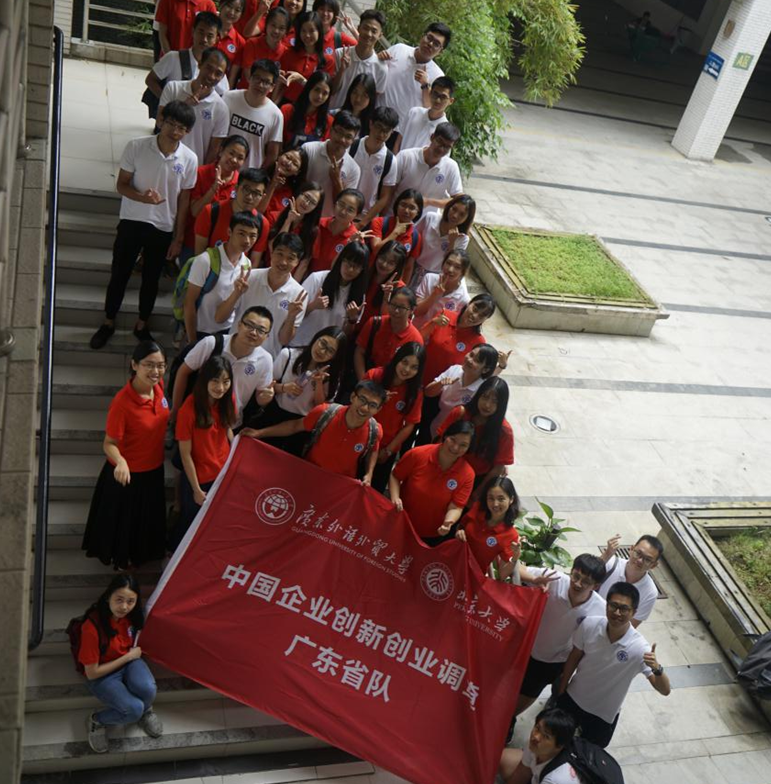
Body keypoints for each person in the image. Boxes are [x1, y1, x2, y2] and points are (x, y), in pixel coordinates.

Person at [89, 101, 197, 350]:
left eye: (181, 128)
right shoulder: (137, 146)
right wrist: (142, 198)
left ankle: (142, 325)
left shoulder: (189, 159)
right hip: (132, 221)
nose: (174, 131)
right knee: (120, 274)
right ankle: (108, 322)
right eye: (171, 124)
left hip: (163, 227)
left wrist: (178, 237)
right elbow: (121, 185)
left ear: (187, 131)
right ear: (161, 120)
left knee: (151, 280)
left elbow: (184, 201)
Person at [82, 342, 169, 569]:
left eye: (161, 365)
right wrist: (120, 461)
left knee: (146, 522)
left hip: (154, 469)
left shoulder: (159, 388)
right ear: (134, 365)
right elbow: (109, 443)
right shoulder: (122, 402)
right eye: (149, 365)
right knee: (126, 527)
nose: (156, 371)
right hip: (128, 475)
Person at [555, 582, 671, 747]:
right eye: (613, 606)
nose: (617, 613)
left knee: (587, 755)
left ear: (634, 612)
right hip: (573, 698)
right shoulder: (589, 625)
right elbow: (574, 657)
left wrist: (657, 669)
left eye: (624, 609)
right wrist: (562, 689)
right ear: (606, 605)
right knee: (556, 741)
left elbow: (665, 690)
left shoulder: (639, 648)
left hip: (602, 714)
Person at [512, 554, 607, 720]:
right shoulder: (555, 580)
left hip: (554, 660)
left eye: (586, 582)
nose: (578, 584)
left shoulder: (600, 610)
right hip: (525, 647)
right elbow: (517, 569)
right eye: (576, 576)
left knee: (530, 691)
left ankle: (510, 719)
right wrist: (534, 579)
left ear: (596, 586)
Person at [243, 378, 385, 484]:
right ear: (353, 397)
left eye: (372, 405)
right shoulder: (325, 412)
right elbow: (294, 426)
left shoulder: (375, 431)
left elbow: (373, 450)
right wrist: (259, 433)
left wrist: (369, 474)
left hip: (339, 488)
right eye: (362, 400)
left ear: (379, 410)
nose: (365, 408)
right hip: (307, 476)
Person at [80, 575, 162, 755]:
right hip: (103, 674)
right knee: (133, 710)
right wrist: (128, 657)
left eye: (130, 601)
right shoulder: (91, 627)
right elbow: (92, 673)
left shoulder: (133, 617)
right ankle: (97, 721)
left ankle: (146, 711)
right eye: (119, 600)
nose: (124, 607)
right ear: (108, 597)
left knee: (148, 689)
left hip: (129, 662)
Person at [171, 355, 236, 546]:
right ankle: (173, 552)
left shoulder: (227, 399)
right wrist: (196, 489)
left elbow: (227, 429)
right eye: (215, 381)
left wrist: (236, 454)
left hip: (222, 474)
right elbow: (185, 454)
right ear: (204, 380)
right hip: (199, 478)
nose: (220, 387)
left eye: (225, 381)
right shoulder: (188, 409)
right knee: (189, 522)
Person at [172, 306, 274, 427]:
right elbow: (183, 372)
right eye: (249, 325)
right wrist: (176, 409)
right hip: (197, 417)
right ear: (239, 325)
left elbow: (260, 398)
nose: (253, 332)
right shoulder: (211, 344)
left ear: (267, 336)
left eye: (261, 330)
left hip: (230, 423)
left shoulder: (265, 360)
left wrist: (265, 398)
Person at [217, 232, 308, 357]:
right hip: (231, 351)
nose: (283, 262)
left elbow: (284, 340)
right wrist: (236, 294)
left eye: (290, 258)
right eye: (280, 254)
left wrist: (291, 316)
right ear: (271, 252)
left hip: (265, 359)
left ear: (297, 262)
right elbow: (219, 318)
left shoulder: (299, 295)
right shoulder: (249, 278)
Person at [389, 419, 475, 545]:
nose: (455, 447)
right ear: (445, 436)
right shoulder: (418, 454)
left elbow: (456, 506)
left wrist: (448, 522)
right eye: (453, 440)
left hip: (431, 534)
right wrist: (395, 498)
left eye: (463, 445)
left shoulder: (468, 474)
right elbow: (395, 476)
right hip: (400, 521)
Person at [262, 325, 347, 452]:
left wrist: (319, 384)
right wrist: (284, 388)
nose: (322, 351)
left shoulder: (332, 375)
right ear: (316, 338)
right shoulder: (288, 355)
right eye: (322, 343)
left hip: (301, 425)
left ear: (335, 356)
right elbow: (266, 386)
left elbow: (321, 408)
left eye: (330, 350)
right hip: (274, 413)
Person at [182, 212, 261, 342]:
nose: (247, 240)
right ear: (229, 232)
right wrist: (192, 340)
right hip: (201, 331)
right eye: (241, 233)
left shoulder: (247, 264)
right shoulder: (205, 260)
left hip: (228, 332)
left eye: (252, 236)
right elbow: (189, 302)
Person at [364, 341, 425, 492]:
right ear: (397, 358)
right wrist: (377, 398)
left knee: (373, 492)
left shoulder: (415, 392)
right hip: (361, 438)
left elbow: (409, 425)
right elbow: (356, 405)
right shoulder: (374, 375)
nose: (407, 370)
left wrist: (388, 451)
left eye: (414, 367)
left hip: (385, 448)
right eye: (405, 362)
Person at [436, 377, 514, 489]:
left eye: (495, 401)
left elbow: (498, 467)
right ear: (478, 395)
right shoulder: (460, 413)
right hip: (446, 468)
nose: (487, 405)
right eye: (485, 397)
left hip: (476, 479)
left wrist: (478, 493)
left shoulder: (504, 431)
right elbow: (439, 441)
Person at [158, 46, 230, 165]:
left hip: (192, 169)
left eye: (218, 73)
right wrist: (184, 106)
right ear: (200, 64)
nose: (211, 76)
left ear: (222, 77)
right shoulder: (173, 88)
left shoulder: (221, 109)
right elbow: (160, 122)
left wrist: (200, 173)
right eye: (209, 68)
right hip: (162, 161)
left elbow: (214, 150)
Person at [380, 22, 451, 140]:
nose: (430, 44)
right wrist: (378, 59)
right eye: (429, 38)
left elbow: (431, 109)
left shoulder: (438, 76)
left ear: (440, 51)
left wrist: (425, 85)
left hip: (399, 131)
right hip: (374, 116)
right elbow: (377, 74)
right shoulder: (399, 49)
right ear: (423, 36)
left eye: (436, 44)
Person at [184, 134, 249, 255]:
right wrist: (214, 188)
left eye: (240, 158)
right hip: (192, 242)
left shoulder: (241, 184)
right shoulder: (201, 173)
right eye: (231, 153)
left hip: (223, 249)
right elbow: (195, 212)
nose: (234, 160)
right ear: (221, 151)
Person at [293, 241, 368, 345]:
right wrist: (313, 306)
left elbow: (344, 334)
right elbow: (294, 313)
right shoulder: (317, 279)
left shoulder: (358, 295)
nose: (350, 269)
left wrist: (352, 320)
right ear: (341, 260)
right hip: (300, 343)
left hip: (326, 349)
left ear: (362, 270)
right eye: (348, 263)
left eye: (356, 266)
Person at [194, 168, 271, 266]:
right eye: (246, 189)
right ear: (236, 188)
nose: (249, 197)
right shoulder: (211, 212)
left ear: (263, 197)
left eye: (256, 193)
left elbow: (254, 262)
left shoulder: (262, 223)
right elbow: (199, 254)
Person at [423, 342, 500, 438]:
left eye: (477, 361)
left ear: (485, 369)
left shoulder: (483, 389)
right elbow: (428, 392)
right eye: (471, 355)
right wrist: (440, 384)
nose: (470, 360)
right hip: (436, 426)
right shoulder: (454, 370)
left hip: (460, 437)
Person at [420, 292, 498, 386]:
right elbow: (419, 338)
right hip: (418, 374)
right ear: (469, 303)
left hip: (442, 388)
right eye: (475, 309)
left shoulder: (479, 342)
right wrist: (433, 323)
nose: (475, 316)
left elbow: (476, 374)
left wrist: (501, 367)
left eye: (481, 316)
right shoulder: (445, 315)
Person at [148, 11, 229, 97]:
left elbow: (225, 95)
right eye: (201, 32)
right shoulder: (173, 57)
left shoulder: (217, 69)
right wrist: (166, 100)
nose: (204, 39)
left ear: (216, 39)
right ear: (193, 32)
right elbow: (150, 80)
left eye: (210, 36)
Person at [223, 59, 284, 170]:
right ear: (249, 77)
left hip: (248, 174)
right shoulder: (229, 98)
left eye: (266, 82)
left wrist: (257, 174)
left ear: (272, 87)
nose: (260, 85)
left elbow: (272, 154)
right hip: (221, 166)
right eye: (257, 78)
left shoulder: (276, 115)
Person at [354, 285, 423, 378]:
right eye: (393, 305)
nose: (396, 311)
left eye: (402, 308)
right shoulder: (375, 323)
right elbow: (360, 352)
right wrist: (363, 380)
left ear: (411, 310)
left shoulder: (415, 339)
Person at [302, 110, 361, 217]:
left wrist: (337, 181)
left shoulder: (354, 169)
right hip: (300, 212)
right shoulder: (309, 149)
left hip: (324, 220)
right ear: (331, 129)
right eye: (339, 132)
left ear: (353, 140)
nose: (342, 139)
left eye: (348, 137)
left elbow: (344, 207)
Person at [456, 475, 519, 575]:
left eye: (501, 499)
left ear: (511, 499)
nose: (495, 504)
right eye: (491, 498)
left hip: (472, 576)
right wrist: (459, 532)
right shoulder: (478, 508)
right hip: (452, 562)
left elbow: (503, 574)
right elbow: (461, 526)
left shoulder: (511, 535)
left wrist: (515, 557)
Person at [498, 709, 580, 784]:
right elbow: (522, 774)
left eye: (546, 736)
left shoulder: (555, 779)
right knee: (505, 758)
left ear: (559, 746)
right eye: (537, 728)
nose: (536, 737)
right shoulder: (534, 745)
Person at [394, 122, 463, 211]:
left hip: (427, 218)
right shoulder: (406, 156)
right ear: (432, 137)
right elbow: (389, 189)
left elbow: (459, 200)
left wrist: (429, 202)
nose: (441, 149)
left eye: (447, 147)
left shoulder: (451, 167)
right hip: (397, 214)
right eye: (440, 142)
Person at [598, 533, 663, 626]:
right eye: (638, 553)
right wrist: (607, 554)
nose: (640, 560)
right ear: (631, 549)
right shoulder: (610, 563)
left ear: (654, 565)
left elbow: (631, 626)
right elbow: (587, 576)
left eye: (647, 560)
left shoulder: (650, 592)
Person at [350, 106, 399, 225]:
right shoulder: (352, 147)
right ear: (371, 124)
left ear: (392, 132)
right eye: (378, 127)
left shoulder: (390, 160)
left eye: (386, 131)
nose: (381, 134)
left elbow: (385, 197)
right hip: (343, 210)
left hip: (365, 218)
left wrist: (363, 223)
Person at [412, 193, 474, 286]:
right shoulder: (430, 218)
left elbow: (452, 263)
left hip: (435, 277)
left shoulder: (463, 239)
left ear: (467, 218)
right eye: (454, 209)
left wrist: (452, 242)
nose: (455, 215)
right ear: (449, 206)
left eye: (462, 214)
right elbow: (413, 238)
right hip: (412, 266)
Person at [330, 9, 387, 109]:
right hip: (331, 112)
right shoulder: (340, 54)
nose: (369, 34)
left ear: (380, 36)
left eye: (374, 31)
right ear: (358, 28)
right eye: (366, 28)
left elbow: (372, 102)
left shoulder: (381, 68)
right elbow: (331, 90)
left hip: (354, 118)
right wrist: (342, 70)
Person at [306, 187, 365, 278]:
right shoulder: (318, 224)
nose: (343, 211)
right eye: (341, 205)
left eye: (350, 210)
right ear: (335, 203)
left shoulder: (356, 240)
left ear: (357, 215)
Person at [276, 11, 334, 104]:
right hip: (285, 103)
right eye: (303, 31)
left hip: (308, 107)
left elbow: (323, 91)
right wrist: (274, 104)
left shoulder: (328, 61)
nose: (307, 35)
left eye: (311, 31)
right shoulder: (289, 53)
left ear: (319, 32)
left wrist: (301, 80)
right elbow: (280, 84)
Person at [268, 181, 324, 273]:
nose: (306, 203)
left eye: (312, 202)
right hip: (268, 269)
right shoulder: (274, 216)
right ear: (299, 193)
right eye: (306, 197)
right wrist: (288, 221)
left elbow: (304, 264)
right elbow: (272, 247)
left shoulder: (313, 231)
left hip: (289, 276)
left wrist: (292, 282)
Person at [369, 188, 423, 283]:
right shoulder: (379, 222)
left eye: (412, 208)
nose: (406, 210)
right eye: (403, 205)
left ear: (418, 212)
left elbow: (408, 267)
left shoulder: (416, 237)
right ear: (397, 205)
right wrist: (395, 232)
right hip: (369, 275)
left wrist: (401, 288)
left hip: (390, 284)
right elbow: (376, 250)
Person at [231, 6, 290, 89]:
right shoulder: (252, 44)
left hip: (268, 96)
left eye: (281, 28)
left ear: (286, 32)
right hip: (246, 91)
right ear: (266, 24)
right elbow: (249, 75)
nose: (276, 31)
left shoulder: (286, 53)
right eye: (273, 25)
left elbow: (280, 85)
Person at [394, 76, 455, 154]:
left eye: (443, 97)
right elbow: (398, 142)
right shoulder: (414, 112)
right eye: (435, 94)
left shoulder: (445, 131)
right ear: (430, 93)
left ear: (451, 101)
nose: (438, 100)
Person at [413, 248, 470, 329]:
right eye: (448, 263)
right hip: (416, 329)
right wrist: (434, 295)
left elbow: (453, 327)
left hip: (436, 336)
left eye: (457, 267)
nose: (450, 269)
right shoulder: (429, 278)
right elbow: (417, 312)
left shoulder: (463, 299)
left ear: (463, 272)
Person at [280, 71, 334, 150]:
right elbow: (276, 143)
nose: (319, 96)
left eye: (325, 93)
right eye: (317, 90)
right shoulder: (287, 110)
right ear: (309, 88)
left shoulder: (329, 121)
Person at [359, 240, 407, 327]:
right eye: (383, 258)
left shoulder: (399, 289)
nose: (384, 264)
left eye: (390, 263)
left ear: (397, 267)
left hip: (371, 331)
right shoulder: (365, 272)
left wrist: (386, 296)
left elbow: (387, 320)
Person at [260, 148, 304, 220]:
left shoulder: (292, 194)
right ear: (279, 155)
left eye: (295, 164)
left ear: (297, 172)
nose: (288, 163)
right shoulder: (258, 177)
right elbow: (258, 212)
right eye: (288, 157)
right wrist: (273, 185)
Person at [332, 73, 377, 138]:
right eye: (355, 92)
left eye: (364, 95)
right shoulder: (334, 115)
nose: (358, 99)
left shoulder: (371, 126)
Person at [216, 0, 246, 74]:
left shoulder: (240, 42)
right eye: (229, 6)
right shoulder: (207, 28)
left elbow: (232, 75)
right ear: (221, 5)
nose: (232, 12)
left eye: (237, 10)